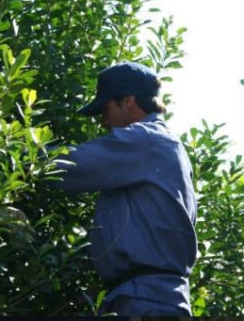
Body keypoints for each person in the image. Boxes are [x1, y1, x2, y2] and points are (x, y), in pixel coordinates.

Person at [52, 61, 197, 316]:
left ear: (128, 101)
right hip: (151, 298)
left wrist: (14, 155)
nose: (104, 121)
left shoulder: (145, 139)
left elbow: (75, 165)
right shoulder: (165, 144)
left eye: (106, 109)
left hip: (145, 300)